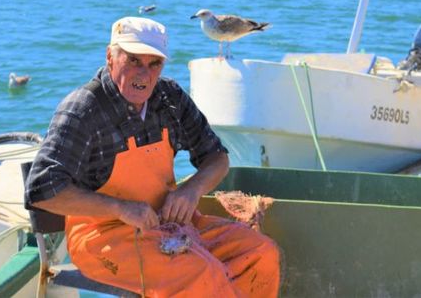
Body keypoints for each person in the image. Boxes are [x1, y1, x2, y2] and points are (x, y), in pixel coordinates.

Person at [25, 16, 281, 297]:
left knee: (260, 253)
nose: (144, 75)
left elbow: (217, 158)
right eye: (133, 60)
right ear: (111, 57)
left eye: (154, 64)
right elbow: (41, 191)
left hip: (169, 224)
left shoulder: (169, 97)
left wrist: (191, 191)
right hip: (102, 237)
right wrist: (121, 209)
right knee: (199, 273)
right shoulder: (83, 108)